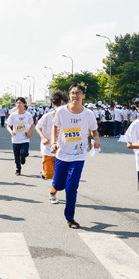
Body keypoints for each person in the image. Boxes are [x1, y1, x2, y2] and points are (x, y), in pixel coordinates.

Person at [49, 84, 100, 229]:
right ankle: (60, 183)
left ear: (83, 95)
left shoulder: (88, 114)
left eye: (78, 93)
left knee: (71, 188)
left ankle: (70, 218)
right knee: (58, 185)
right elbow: (55, 127)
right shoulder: (61, 111)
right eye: (72, 93)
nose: (75, 95)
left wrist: (96, 139)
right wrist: (53, 142)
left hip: (78, 156)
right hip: (62, 154)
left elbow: (94, 131)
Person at [35, 91, 67, 184]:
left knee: (59, 174)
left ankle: (54, 189)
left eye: (63, 104)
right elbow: (37, 127)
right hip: (47, 148)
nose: (62, 107)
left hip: (60, 149)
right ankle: (44, 171)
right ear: (53, 104)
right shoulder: (47, 116)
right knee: (49, 175)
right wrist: (43, 137)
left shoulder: (66, 117)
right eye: (59, 105)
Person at [5, 97, 35, 176]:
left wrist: (30, 133)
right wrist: (11, 131)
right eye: (17, 103)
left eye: (20, 103)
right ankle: (18, 169)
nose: (18, 104)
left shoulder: (28, 115)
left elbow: (32, 125)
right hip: (16, 139)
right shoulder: (13, 115)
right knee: (16, 156)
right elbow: (8, 126)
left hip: (25, 138)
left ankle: (23, 157)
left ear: (24, 104)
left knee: (24, 153)